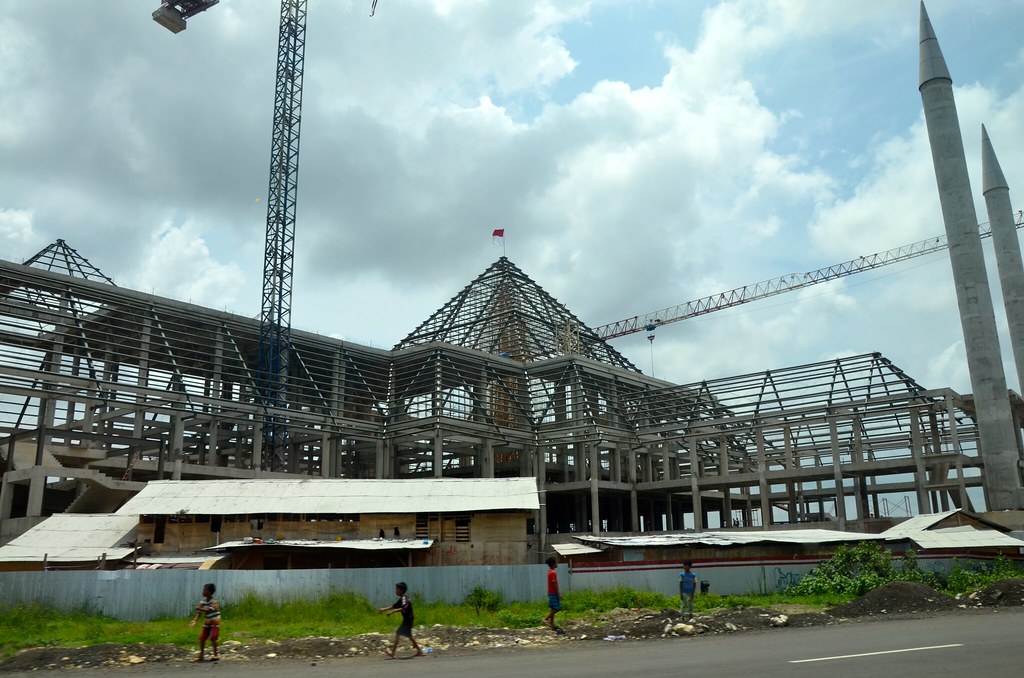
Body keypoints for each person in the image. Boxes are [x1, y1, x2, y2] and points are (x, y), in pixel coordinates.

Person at [378, 581, 424, 659]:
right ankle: (419, 652)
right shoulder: (402, 598)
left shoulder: (404, 598)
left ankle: (393, 653)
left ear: (401, 590)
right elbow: (394, 606)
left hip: (408, 619)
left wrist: (392, 612)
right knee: (408, 635)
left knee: (399, 633)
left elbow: (403, 608)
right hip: (408, 619)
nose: (395, 591)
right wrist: (384, 609)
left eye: (397, 589)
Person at [188, 582, 221, 662]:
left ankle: (216, 655)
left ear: (210, 592)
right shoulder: (202, 602)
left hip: (215, 622)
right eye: (203, 590)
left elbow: (209, 610)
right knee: (202, 638)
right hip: (207, 622)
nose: (203, 592)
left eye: (205, 590)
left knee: (213, 638)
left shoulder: (214, 601)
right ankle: (201, 656)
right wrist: (194, 621)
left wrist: (199, 608)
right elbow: (198, 613)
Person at [542, 556, 563, 631]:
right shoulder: (553, 572)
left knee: (552, 608)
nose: (557, 564)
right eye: (556, 562)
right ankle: (546, 619)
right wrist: (558, 594)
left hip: (550, 592)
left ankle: (552, 624)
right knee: (557, 608)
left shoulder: (549, 572)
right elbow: (554, 583)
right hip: (553, 593)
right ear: (553, 564)